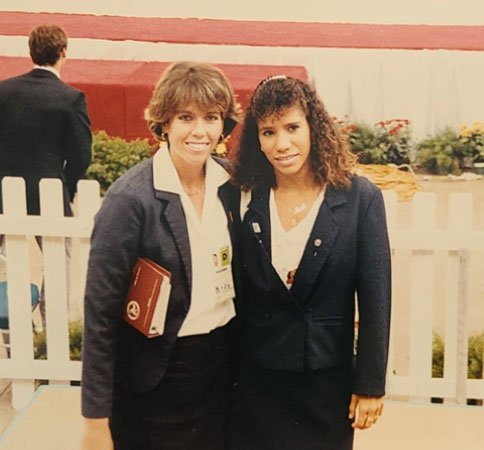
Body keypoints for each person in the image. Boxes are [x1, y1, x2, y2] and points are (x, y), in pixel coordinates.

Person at [81, 61, 243, 450]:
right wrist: (95, 420)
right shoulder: (130, 199)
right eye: (186, 117)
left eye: (211, 117)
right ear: (164, 123)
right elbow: (100, 314)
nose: (200, 131)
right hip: (156, 380)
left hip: (223, 370)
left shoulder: (233, 185)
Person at [228, 75, 392, 450]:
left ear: (313, 127)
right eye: (268, 132)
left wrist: (370, 385)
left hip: (326, 386)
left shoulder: (359, 198)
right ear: (256, 139)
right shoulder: (244, 196)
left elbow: (376, 299)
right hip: (255, 384)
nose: (282, 144)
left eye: (292, 128)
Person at [0, 24, 92, 322]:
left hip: (4, 193)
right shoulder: (70, 98)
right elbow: (82, 155)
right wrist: (68, 187)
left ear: (31, 52)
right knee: (58, 262)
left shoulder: (3, 91)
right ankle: (52, 324)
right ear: (63, 52)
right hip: (48, 194)